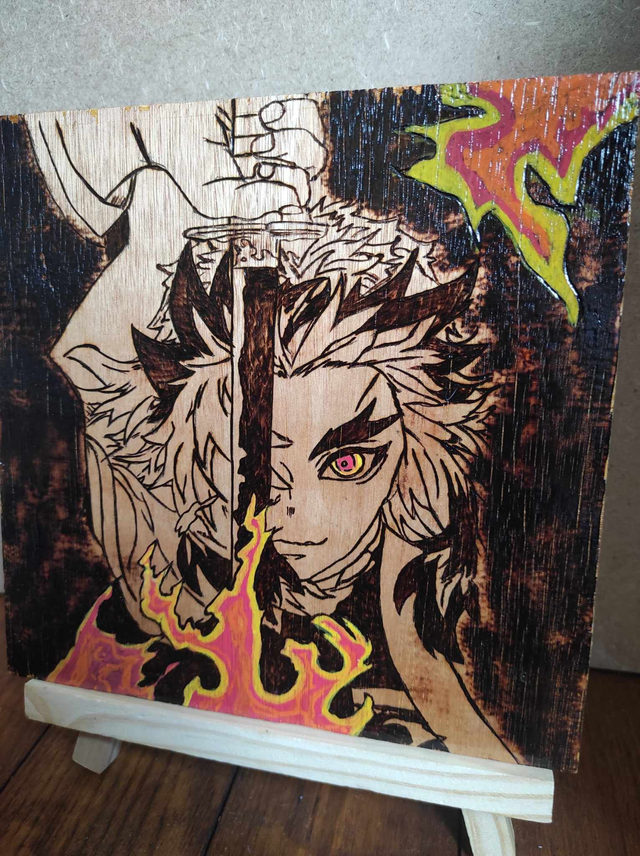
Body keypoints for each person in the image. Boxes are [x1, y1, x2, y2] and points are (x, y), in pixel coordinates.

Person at [32, 94, 516, 762]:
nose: (298, 524)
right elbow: (99, 378)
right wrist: (166, 204)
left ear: (411, 471)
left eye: (349, 464)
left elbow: (431, 669)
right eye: (244, 461)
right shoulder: (160, 577)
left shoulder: (412, 549)